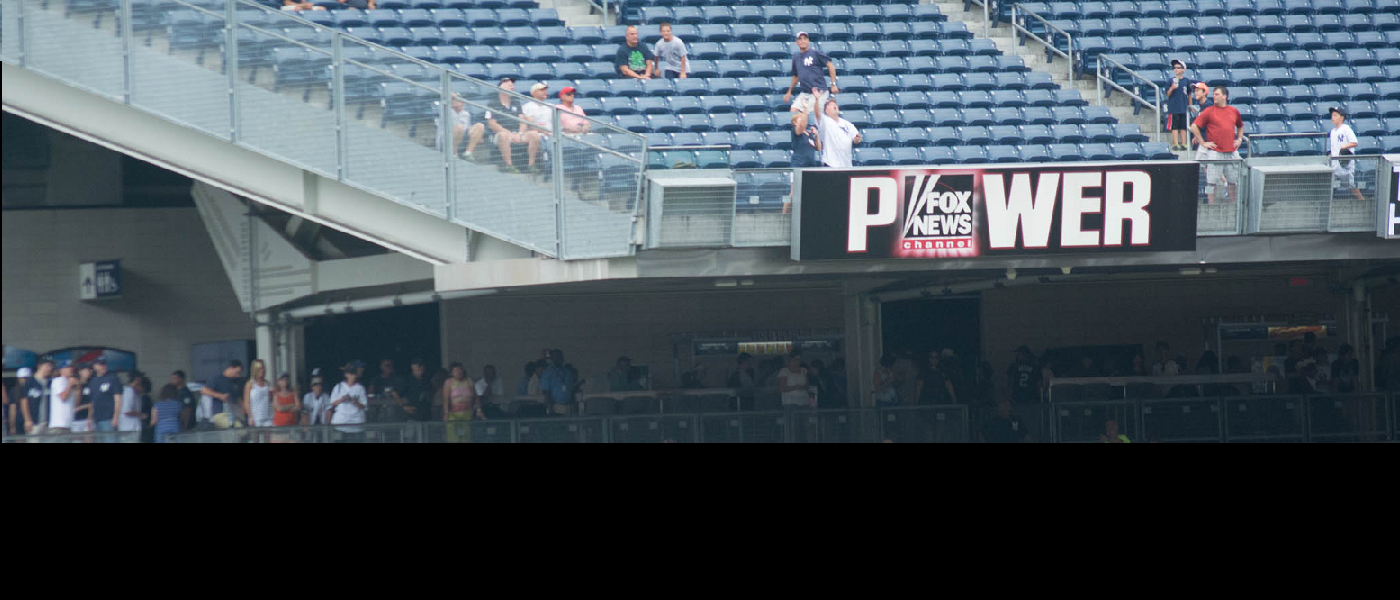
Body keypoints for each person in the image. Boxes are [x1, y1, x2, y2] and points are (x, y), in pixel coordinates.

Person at [1189, 85, 1245, 204]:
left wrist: (1239, 139)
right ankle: (1211, 204)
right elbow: (1194, 126)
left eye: (1217, 94)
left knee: (1233, 181)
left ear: (1224, 96)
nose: (1214, 96)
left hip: (1231, 152)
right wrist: (1203, 142)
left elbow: (1240, 125)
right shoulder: (1209, 111)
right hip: (1215, 153)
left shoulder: (1233, 111)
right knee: (1211, 182)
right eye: (1213, 94)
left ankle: (1233, 204)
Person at [477, 77, 542, 174]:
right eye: (508, 85)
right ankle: (509, 165)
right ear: (500, 88)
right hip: (502, 134)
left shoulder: (516, 101)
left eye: (512, 85)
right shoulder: (492, 103)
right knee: (503, 135)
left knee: (534, 134)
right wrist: (510, 134)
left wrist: (520, 133)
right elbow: (492, 124)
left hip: (518, 133)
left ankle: (531, 165)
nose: (511, 87)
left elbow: (522, 120)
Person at [782, 31, 839, 117]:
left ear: (808, 41)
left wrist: (833, 84)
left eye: (805, 39)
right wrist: (789, 91)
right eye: (800, 39)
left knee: (811, 116)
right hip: (805, 92)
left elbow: (830, 66)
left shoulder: (815, 53)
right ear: (797, 43)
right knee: (793, 112)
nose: (803, 41)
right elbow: (795, 76)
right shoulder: (796, 57)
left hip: (819, 91)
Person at [1327, 106, 1366, 202]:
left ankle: (1362, 201)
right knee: (1329, 183)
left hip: (1344, 162)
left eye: (1335, 115)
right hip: (1334, 162)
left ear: (1342, 117)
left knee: (1350, 185)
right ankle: (1327, 203)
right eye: (1332, 115)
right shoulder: (1332, 132)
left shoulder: (1346, 128)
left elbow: (1354, 142)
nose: (1333, 117)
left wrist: (1344, 147)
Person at [328, 365, 368, 442]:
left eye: (354, 373)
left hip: (356, 423)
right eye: (351, 373)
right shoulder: (338, 387)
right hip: (341, 422)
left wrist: (353, 401)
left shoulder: (360, 388)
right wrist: (342, 399)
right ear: (346, 374)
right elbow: (332, 403)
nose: (353, 376)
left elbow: (364, 406)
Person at [816, 99, 860, 169]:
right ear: (826, 111)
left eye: (835, 104)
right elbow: (817, 114)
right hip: (831, 164)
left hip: (846, 165)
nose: (834, 106)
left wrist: (857, 139)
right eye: (831, 105)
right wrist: (816, 99)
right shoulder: (825, 121)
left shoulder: (847, 124)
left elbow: (857, 138)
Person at [442, 362, 480, 442]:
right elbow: (446, 398)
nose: (459, 372)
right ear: (452, 373)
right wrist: (446, 413)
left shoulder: (469, 381)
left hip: (467, 414)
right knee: (453, 438)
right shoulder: (449, 382)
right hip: (453, 415)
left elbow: (476, 397)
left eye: (460, 369)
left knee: (466, 438)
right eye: (456, 370)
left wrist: (479, 410)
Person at [1163, 59, 1194, 151]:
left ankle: (1184, 143)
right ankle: (1176, 143)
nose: (1176, 69)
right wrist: (1172, 87)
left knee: (1183, 127)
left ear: (1183, 69)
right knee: (1175, 127)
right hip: (1174, 108)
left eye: (1178, 67)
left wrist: (1190, 105)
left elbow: (1189, 94)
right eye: (1174, 68)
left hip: (1183, 107)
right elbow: (1167, 94)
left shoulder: (1186, 81)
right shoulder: (1170, 80)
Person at [200, 360, 243, 427]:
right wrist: (220, 396)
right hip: (219, 413)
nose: (238, 375)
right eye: (237, 372)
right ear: (230, 368)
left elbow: (238, 398)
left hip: (232, 413)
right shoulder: (217, 378)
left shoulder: (234, 382)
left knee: (241, 429)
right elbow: (204, 390)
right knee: (229, 426)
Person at [448, 94, 486, 161]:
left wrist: (479, 135)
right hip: (448, 137)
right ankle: (454, 154)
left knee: (480, 126)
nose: (460, 104)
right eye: (458, 101)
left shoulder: (466, 114)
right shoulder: (445, 110)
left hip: (462, 136)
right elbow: (444, 94)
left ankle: (468, 153)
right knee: (459, 127)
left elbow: (467, 128)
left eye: (461, 102)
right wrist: (452, 95)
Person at [368, 358, 407, 422]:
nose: (390, 368)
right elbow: (369, 394)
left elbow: (403, 395)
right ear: (381, 367)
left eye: (391, 366)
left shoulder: (398, 379)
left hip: (395, 413)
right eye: (387, 366)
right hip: (379, 412)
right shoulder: (375, 380)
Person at [540, 350, 577, 415]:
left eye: (560, 356)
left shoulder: (568, 373)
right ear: (552, 359)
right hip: (555, 407)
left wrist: (573, 406)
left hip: (568, 407)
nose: (559, 358)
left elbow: (571, 390)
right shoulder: (547, 373)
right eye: (556, 357)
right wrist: (550, 408)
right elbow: (546, 392)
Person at [18, 361, 50, 435]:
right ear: (40, 366)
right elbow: (23, 401)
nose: (49, 368)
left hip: (48, 423)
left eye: (51, 366)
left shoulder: (50, 382)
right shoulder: (29, 382)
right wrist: (27, 420)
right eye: (47, 366)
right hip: (34, 423)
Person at [790, 103, 822, 171]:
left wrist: (816, 135)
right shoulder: (795, 131)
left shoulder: (809, 134)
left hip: (811, 164)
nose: (803, 120)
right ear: (795, 122)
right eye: (800, 118)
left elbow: (818, 148)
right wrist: (805, 109)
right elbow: (802, 125)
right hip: (799, 164)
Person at [48, 360, 77, 434]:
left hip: (69, 424)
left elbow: (76, 403)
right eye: (67, 367)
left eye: (71, 367)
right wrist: (70, 385)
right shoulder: (58, 381)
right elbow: (63, 397)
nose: (70, 369)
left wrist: (77, 387)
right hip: (59, 424)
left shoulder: (69, 381)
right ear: (61, 370)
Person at [243, 359, 273, 429]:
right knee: (256, 438)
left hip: (267, 417)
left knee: (267, 438)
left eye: (263, 368)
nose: (262, 371)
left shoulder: (267, 383)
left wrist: (272, 394)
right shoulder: (250, 384)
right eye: (259, 369)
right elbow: (246, 403)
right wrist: (250, 417)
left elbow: (270, 400)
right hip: (256, 417)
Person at [70, 364, 94, 434]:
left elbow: (93, 403)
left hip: (88, 418)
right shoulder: (74, 384)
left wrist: (82, 407)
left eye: (89, 370)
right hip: (75, 419)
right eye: (85, 370)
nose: (88, 372)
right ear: (80, 372)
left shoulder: (92, 384)